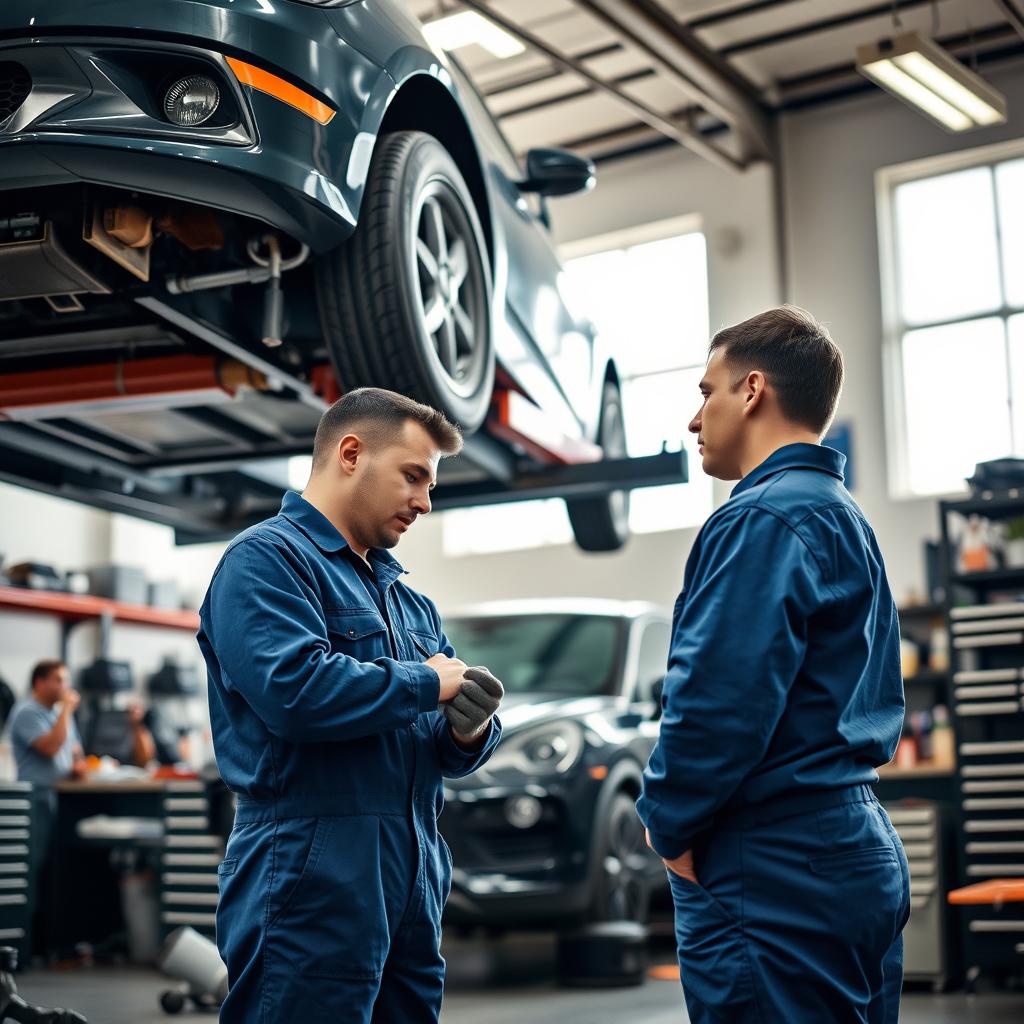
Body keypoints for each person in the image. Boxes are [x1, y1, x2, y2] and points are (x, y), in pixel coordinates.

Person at [637, 306, 910, 1023]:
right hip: (852, 844)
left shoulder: (762, 517)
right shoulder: (840, 514)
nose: (696, 420)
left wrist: (666, 823)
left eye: (707, 392)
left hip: (777, 861)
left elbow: (720, 702)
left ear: (752, 390)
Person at [197, 387, 503, 1024]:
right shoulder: (266, 562)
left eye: (431, 485)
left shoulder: (409, 602)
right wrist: (427, 684)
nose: (424, 501)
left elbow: (434, 741)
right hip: (311, 872)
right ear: (351, 453)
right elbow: (296, 694)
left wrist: (469, 731)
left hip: (412, 873)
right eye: (413, 476)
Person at [7, 660, 87, 955]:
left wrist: (78, 766)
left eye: (66, 680)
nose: (65, 687)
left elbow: (74, 752)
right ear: (39, 682)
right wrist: (66, 709)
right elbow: (51, 748)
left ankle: (52, 944)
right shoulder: (27, 712)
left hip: (61, 796)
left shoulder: (58, 713)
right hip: (36, 798)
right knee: (33, 869)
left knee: (57, 871)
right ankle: (26, 947)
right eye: (58, 680)